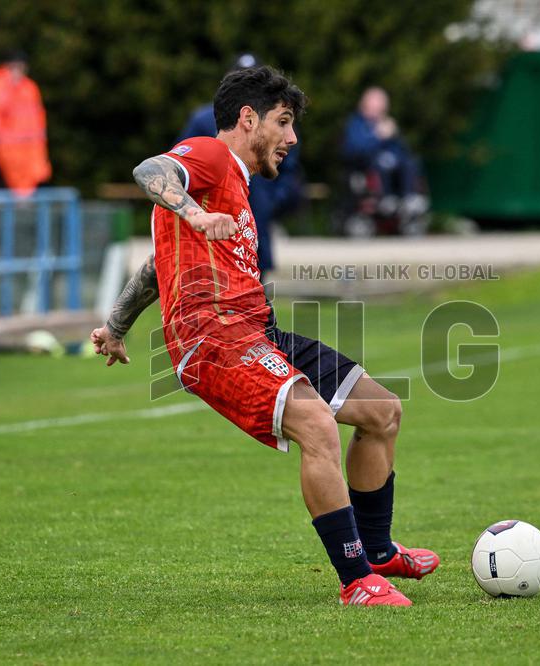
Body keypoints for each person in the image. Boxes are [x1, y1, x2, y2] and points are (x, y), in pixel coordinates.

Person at [89, 67, 439, 606]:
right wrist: (197, 214)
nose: (292, 138)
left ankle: (376, 551)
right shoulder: (211, 155)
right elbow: (149, 170)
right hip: (214, 339)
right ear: (248, 119)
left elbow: (160, 265)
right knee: (317, 424)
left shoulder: (233, 184)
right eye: (284, 121)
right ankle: (356, 581)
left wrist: (115, 326)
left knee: (381, 411)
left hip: (256, 329)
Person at [178, 54, 303, 277]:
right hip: (213, 239)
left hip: (255, 220)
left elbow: (290, 171)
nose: (291, 138)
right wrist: (194, 213)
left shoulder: (274, 127)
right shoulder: (205, 133)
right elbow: (158, 168)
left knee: (254, 280)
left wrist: (272, 201)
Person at [342, 87, 428, 219]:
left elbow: (402, 150)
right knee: (382, 163)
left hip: (392, 163)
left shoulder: (386, 123)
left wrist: (393, 134)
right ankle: (385, 198)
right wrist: (378, 137)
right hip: (367, 164)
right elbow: (354, 149)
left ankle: (409, 198)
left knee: (409, 162)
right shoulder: (356, 124)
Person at [0, 51, 52, 196]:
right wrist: (11, 86)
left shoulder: (30, 87)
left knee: (34, 180)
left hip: (32, 147)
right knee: (13, 187)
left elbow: (37, 115)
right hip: (9, 148)